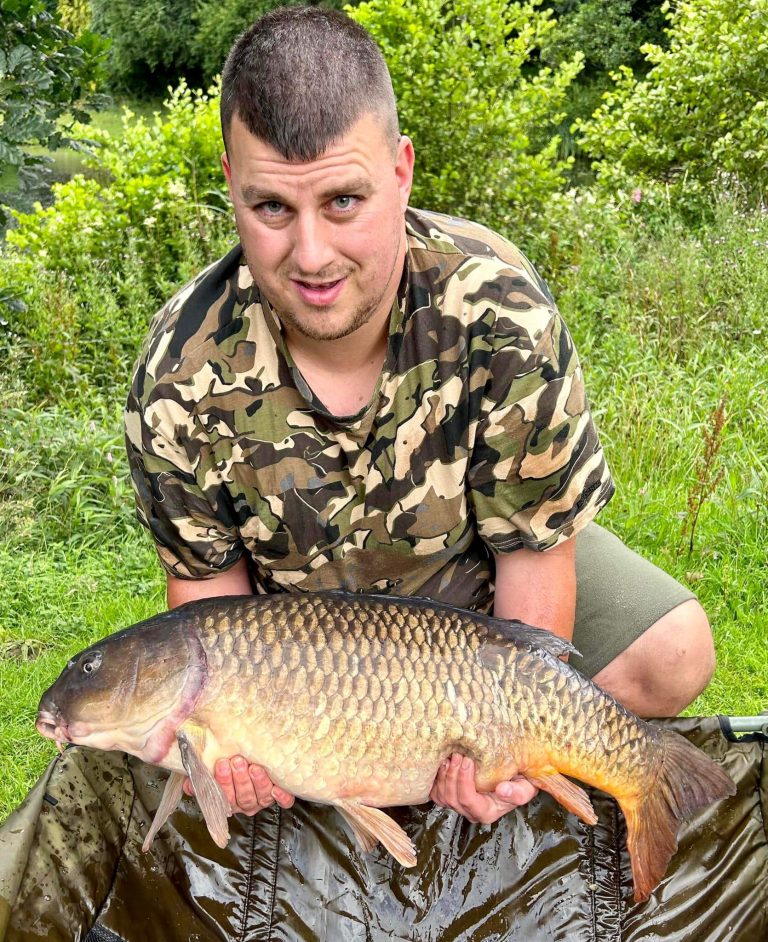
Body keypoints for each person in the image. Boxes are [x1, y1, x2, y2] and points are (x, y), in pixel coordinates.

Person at [0, 7, 718, 940]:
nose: (311, 255)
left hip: (472, 581)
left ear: (401, 171)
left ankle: (620, 777)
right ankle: (374, 750)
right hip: (294, 621)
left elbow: (536, 573)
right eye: (271, 208)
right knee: (216, 751)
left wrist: (497, 742)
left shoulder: (497, 307)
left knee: (675, 655)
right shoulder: (181, 370)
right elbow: (207, 607)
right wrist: (241, 752)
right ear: (230, 186)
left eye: (343, 202)